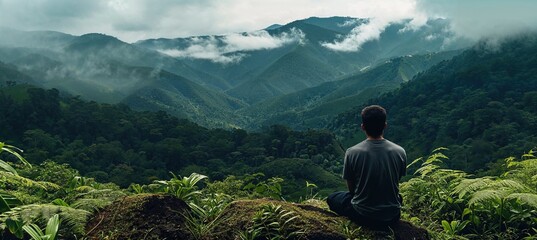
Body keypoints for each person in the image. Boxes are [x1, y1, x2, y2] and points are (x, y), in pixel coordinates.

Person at [327, 105, 406, 229]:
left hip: (363, 216)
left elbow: (352, 190)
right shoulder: (400, 151)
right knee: (398, 197)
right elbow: (396, 181)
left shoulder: (352, 152)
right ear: (385, 125)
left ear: (363, 127)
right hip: (392, 215)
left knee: (333, 198)